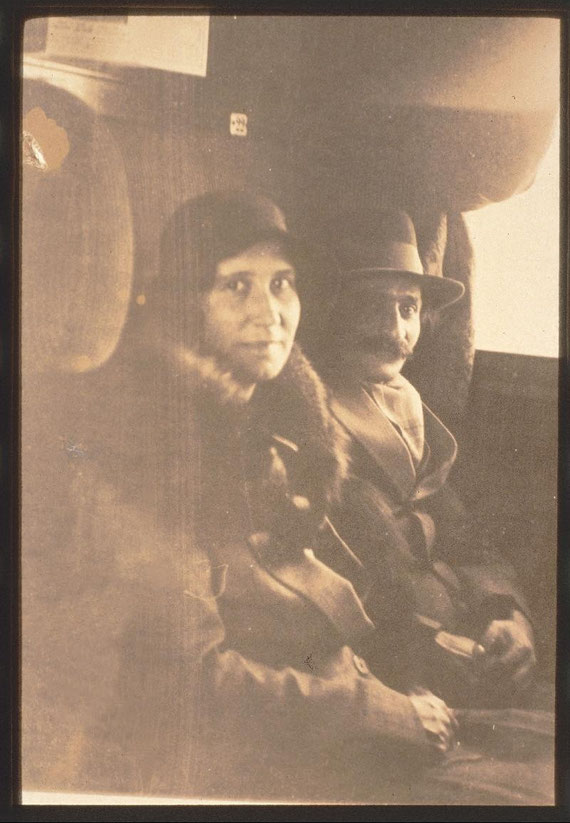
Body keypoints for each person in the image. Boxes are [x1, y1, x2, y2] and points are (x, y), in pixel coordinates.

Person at [24, 191, 469, 804]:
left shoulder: (282, 424)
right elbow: (192, 684)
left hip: (332, 719)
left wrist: (410, 687)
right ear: (186, 304)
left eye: (282, 284)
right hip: (235, 769)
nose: (270, 314)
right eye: (236, 287)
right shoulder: (149, 454)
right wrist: (386, 715)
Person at [301, 208, 553, 803]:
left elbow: (463, 534)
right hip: (398, 663)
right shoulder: (314, 425)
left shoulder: (408, 403)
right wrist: (430, 648)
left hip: (468, 645)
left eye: (408, 308)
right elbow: (343, 584)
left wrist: (506, 612)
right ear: (333, 310)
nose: (395, 330)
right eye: (373, 305)